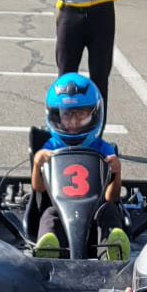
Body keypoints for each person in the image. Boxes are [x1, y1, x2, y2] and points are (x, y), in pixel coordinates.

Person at [29, 72, 130, 261]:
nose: (74, 122)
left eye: (81, 114)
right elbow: (39, 189)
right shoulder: (50, 147)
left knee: (109, 212)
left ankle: (111, 252)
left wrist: (117, 172)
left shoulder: (104, 148)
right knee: (49, 215)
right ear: (55, 116)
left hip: (95, 215)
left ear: (94, 114)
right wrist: (37, 164)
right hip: (61, 212)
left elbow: (112, 197)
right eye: (67, 115)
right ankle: (49, 252)